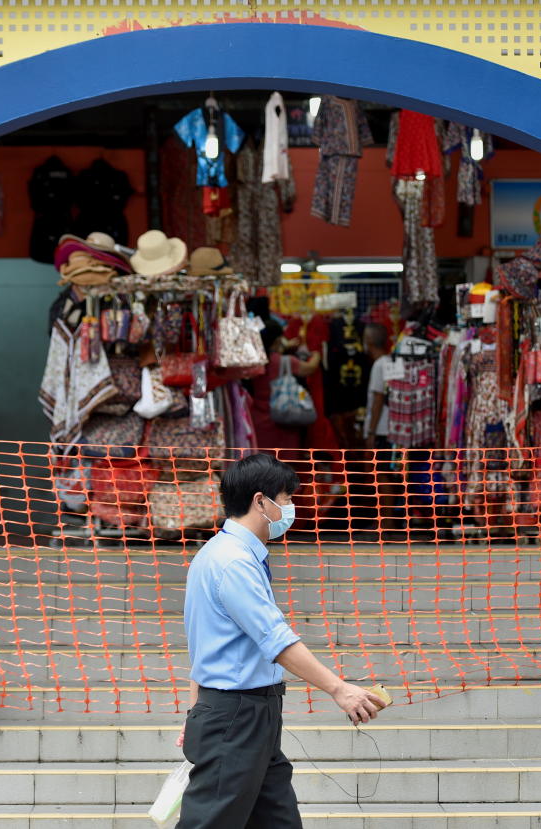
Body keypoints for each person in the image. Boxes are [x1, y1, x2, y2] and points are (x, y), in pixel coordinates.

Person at [175, 453, 386, 828]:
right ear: (261, 501)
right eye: (286, 499)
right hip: (237, 717)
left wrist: (196, 712)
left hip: (245, 715)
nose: (290, 508)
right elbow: (276, 640)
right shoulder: (233, 562)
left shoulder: (222, 554)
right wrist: (339, 689)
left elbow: (203, 645)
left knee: (279, 821)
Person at [247, 319, 321, 452]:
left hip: (257, 422)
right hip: (283, 420)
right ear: (277, 340)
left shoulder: (253, 361)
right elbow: (310, 368)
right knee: (283, 467)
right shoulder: (284, 362)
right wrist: (316, 353)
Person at [361, 323, 392, 450]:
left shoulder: (378, 365)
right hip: (389, 427)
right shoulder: (389, 361)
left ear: (368, 341)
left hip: (381, 429)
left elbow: (378, 399)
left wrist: (371, 432)